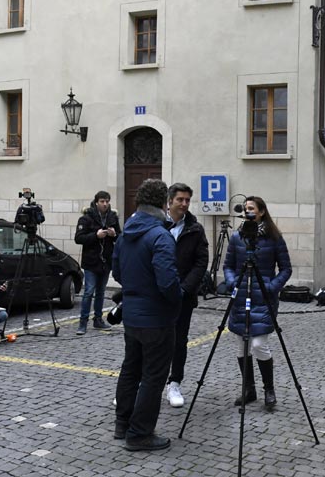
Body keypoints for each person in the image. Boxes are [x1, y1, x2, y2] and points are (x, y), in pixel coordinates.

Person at [112, 179, 181, 452]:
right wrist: (178, 298)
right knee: (153, 376)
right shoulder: (160, 235)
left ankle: (123, 423)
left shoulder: (126, 232)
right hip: (156, 317)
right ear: (163, 203)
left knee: (131, 369)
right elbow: (167, 282)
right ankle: (139, 433)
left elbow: (117, 272)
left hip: (132, 314)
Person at [223, 196, 292, 410]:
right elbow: (228, 266)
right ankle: (248, 389)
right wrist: (233, 282)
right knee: (242, 345)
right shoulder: (237, 237)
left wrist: (271, 287)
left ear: (262, 212)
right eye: (245, 209)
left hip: (263, 298)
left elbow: (286, 268)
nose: (247, 212)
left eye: (251, 208)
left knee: (259, 344)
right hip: (241, 296)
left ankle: (268, 389)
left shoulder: (274, 238)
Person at [164, 183, 209, 408]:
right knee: (151, 340)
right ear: (170, 200)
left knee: (179, 341)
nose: (184, 204)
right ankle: (142, 382)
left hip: (183, 296)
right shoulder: (156, 224)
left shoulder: (195, 228)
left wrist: (185, 288)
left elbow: (201, 262)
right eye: (180, 199)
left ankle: (175, 383)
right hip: (157, 296)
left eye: (187, 200)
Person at [75, 190, 121, 335]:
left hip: (106, 261)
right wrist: (95, 235)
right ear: (96, 202)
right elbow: (79, 238)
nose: (105, 204)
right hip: (91, 261)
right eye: (102, 201)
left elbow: (120, 238)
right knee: (89, 291)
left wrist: (114, 235)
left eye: (107, 201)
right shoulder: (86, 218)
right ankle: (83, 322)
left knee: (101, 292)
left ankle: (98, 320)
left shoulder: (112, 217)